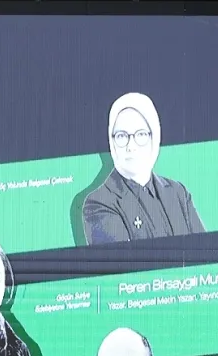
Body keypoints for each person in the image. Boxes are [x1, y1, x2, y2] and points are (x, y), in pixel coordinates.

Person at [82, 92, 206, 244]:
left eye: (140, 134)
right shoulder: (98, 203)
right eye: (121, 136)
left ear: (154, 137)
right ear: (111, 142)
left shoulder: (178, 192)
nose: (131, 146)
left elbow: (204, 249)